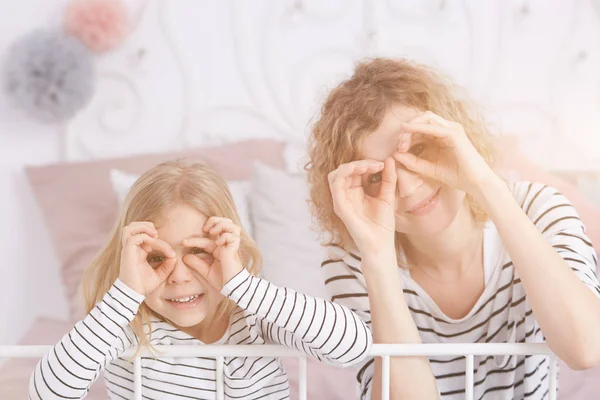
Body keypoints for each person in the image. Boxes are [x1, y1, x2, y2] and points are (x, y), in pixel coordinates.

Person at [306, 57, 600, 399]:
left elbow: (587, 348)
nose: (409, 188)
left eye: (417, 150)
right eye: (376, 176)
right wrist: (377, 255)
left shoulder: (537, 209)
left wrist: (486, 185)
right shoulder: (354, 257)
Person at [29, 159, 372, 399]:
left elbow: (353, 347)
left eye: (200, 253)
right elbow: (48, 393)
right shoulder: (126, 327)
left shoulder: (255, 317)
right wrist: (125, 294)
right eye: (156, 258)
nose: (178, 276)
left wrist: (243, 285)